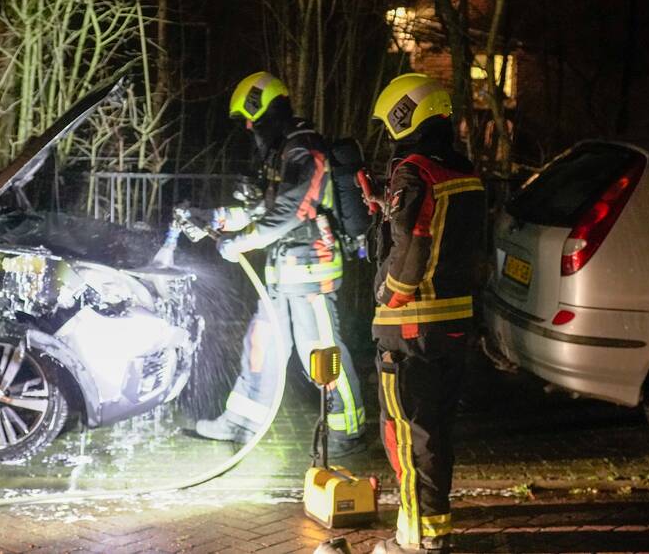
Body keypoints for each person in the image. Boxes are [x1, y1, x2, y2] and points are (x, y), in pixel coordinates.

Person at [193, 71, 366, 456]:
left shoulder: (305, 148)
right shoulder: (283, 152)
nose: (249, 128)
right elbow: (267, 207)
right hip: (282, 270)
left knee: (321, 352)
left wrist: (244, 241)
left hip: (311, 270)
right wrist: (219, 217)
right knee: (262, 344)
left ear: (264, 108)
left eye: (250, 119)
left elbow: (294, 208)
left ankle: (348, 429)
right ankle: (242, 420)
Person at [368, 74, 485, 554]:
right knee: (434, 434)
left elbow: (411, 252)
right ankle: (430, 530)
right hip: (452, 327)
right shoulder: (465, 173)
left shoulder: (414, 172)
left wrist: (386, 293)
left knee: (406, 437)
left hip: (409, 331)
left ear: (404, 118)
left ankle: (417, 541)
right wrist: (386, 207)